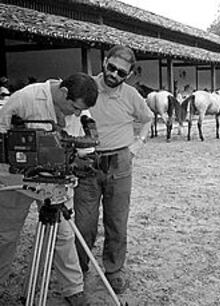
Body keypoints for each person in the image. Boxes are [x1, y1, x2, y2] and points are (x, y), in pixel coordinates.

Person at [0, 72, 98, 305]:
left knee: (64, 235)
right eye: (74, 108)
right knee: (5, 234)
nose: (77, 114)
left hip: (57, 182)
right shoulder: (24, 98)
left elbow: (82, 146)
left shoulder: (80, 109)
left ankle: (73, 289)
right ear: (63, 93)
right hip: (17, 180)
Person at [73, 45, 153, 294]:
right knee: (84, 222)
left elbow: (148, 118)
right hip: (87, 164)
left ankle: (114, 269)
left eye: (121, 72)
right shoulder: (86, 87)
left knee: (116, 220)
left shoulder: (131, 96)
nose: (114, 75)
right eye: (111, 68)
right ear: (105, 62)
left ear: (128, 75)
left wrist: (135, 147)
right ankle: (78, 269)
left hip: (120, 163)